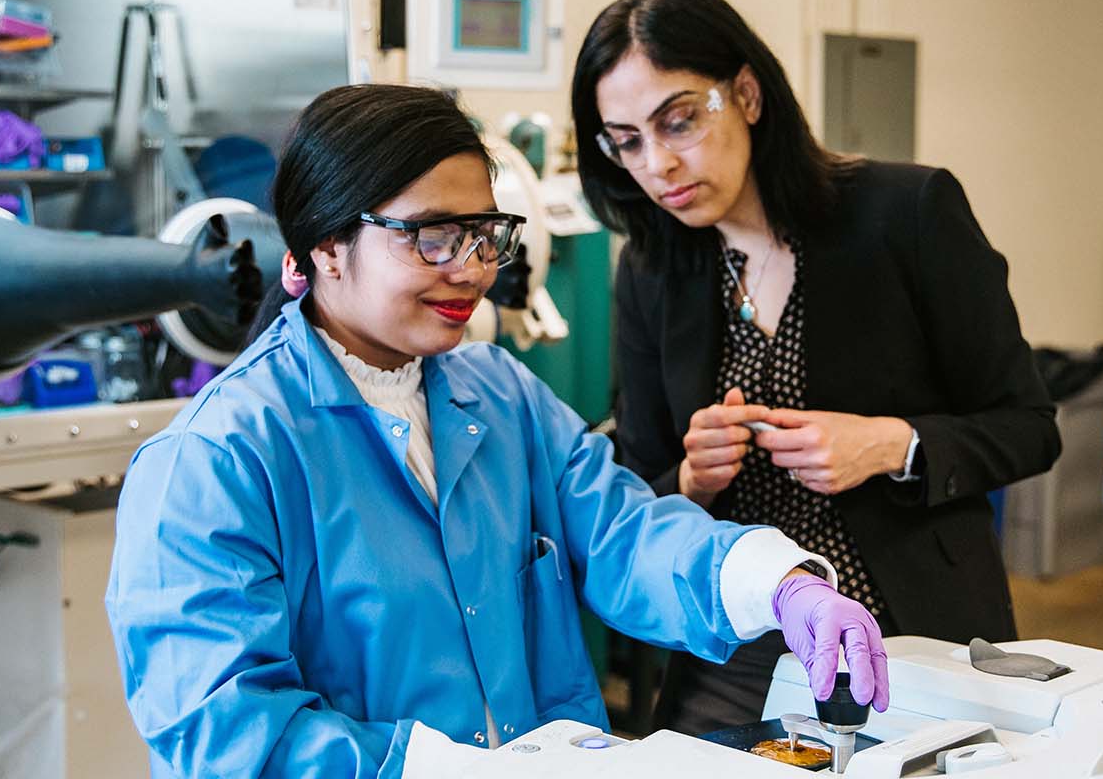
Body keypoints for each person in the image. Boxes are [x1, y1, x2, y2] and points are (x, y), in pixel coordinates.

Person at [104, 83, 889, 779]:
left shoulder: (499, 393)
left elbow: (624, 533)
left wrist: (776, 583)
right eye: (433, 236)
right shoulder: (213, 460)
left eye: (484, 233)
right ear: (327, 247)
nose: (473, 268)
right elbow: (226, 730)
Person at [571, 0, 1063, 734]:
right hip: (740, 643)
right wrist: (694, 478)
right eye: (627, 141)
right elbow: (638, 488)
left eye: (679, 121)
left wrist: (892, 444)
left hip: (907, 629)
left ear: (746, 94)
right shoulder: (651, 269)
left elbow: (1030, 426)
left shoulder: (906, 213)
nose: (658, 164)